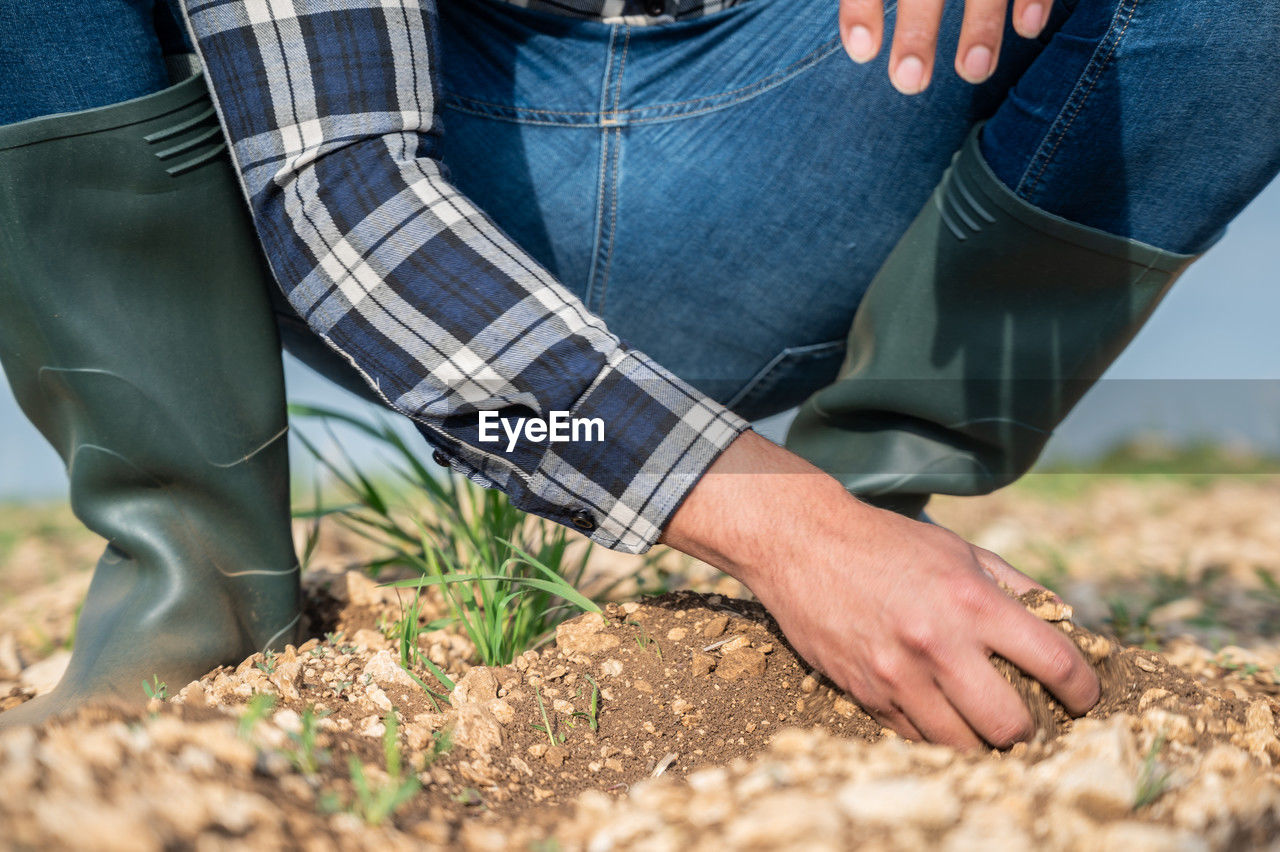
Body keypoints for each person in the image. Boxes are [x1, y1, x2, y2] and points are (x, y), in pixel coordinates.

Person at [0, 0, 1275, 748]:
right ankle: (195, 595)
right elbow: (343, 193)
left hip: (817, 134)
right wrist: (780, 533)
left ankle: (879, 509)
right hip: (398, 192)